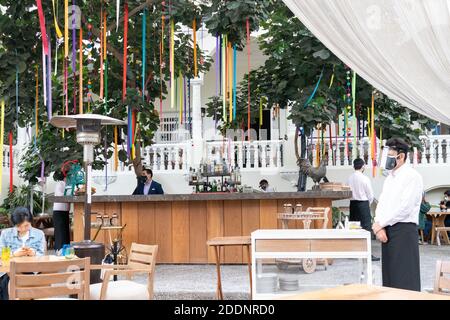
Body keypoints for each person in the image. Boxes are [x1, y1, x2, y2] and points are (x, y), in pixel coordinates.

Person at [372, 138, 423, 291]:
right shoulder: (389, 178)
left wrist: (382, 224)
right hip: (386, 231)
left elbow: (405, 208)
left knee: (405, 278)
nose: (386, 160)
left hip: (404, 231)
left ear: (401, 157)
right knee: (390, 278)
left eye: (390, 156)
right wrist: (378, 224)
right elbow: (382, 203)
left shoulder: (412, 176)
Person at [0, 207, 46, 300]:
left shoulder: (39, 234)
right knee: (11, 280)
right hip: (9, 272)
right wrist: (14, 254)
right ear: (14, 224)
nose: (23, 229)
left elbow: (43, 256)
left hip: (31, 271)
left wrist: (34, 253)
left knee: (18, 281)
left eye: (26, 225)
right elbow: (1, 255)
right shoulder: (5, 234)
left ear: (31, 222)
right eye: (19, 226)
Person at [347, 158, 379, 261]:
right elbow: (370, 195)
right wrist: (367, 204)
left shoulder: (349, 178)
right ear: (362, 166)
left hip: (353, 204)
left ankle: (354, 253)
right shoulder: (364, 178)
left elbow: (347, 192)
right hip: (363, 203)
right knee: (366, 229)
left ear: (354, 166)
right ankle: (367, 254)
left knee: (354, 228)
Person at [52, 170, 71, 251]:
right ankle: (59, 250)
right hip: (58, 210)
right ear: (66, 177)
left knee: (65, 231)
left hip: (65, 210)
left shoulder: (68, 185)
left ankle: (66, 249)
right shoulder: (60, 183)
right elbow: (60, 195)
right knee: (60, 231)